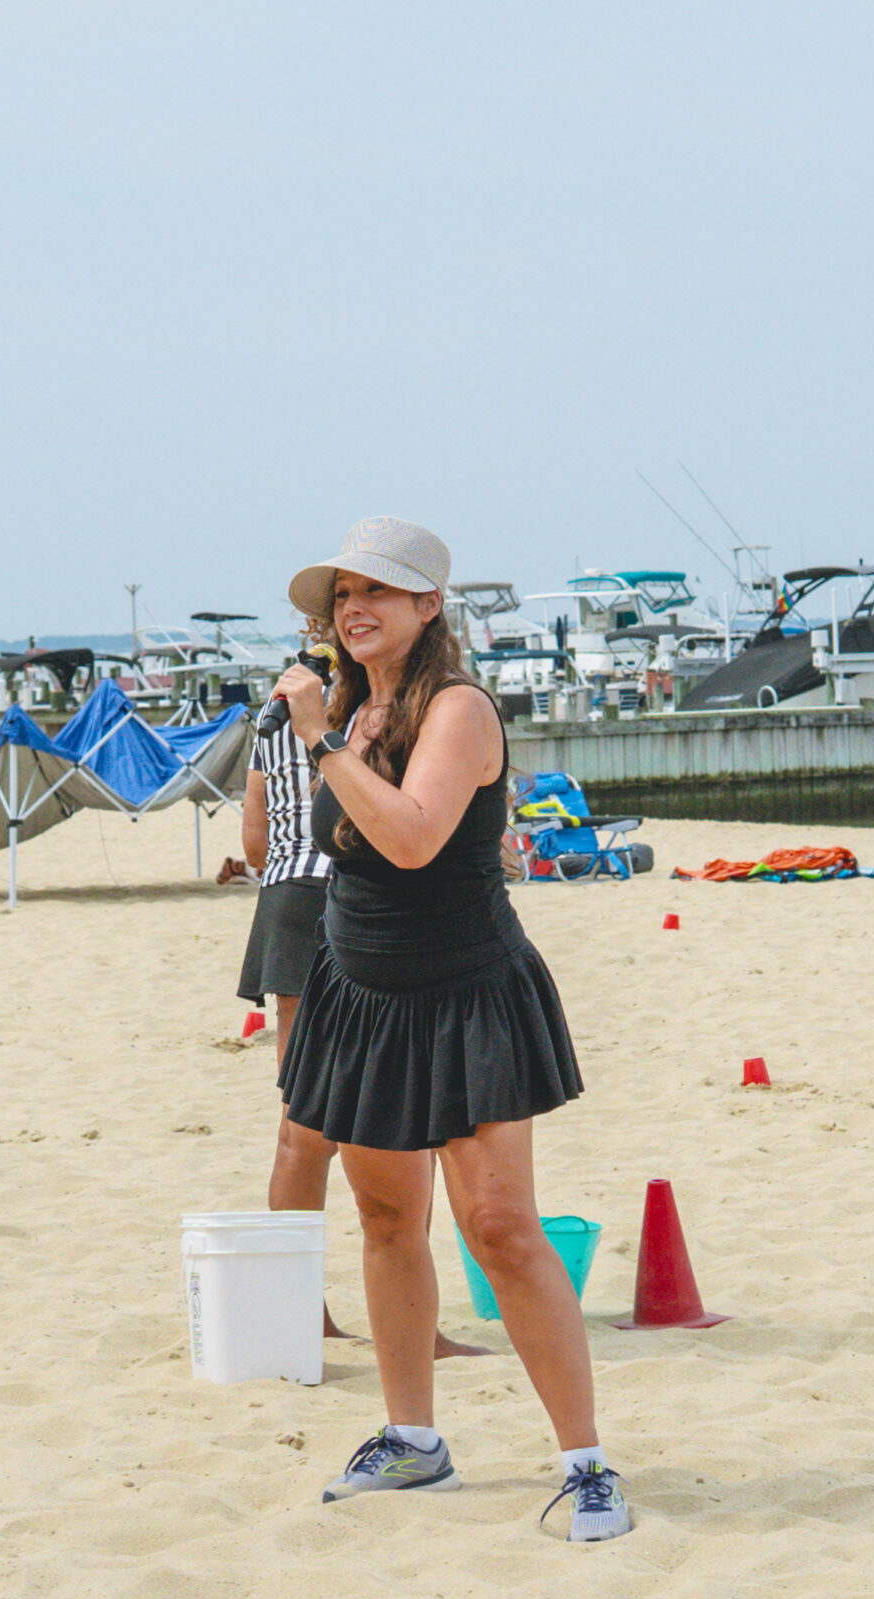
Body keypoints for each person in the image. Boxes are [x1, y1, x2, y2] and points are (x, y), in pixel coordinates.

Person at [273, 516, 631, 1543]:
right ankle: (413, 1438)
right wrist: (332, 732)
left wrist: (319, 742)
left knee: (502, 1228)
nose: (353, 610)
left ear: (429, 605)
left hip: (466, 993)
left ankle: (587, 1465)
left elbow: (415, 838)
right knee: (387, 1220)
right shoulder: (358, 708)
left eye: (375, 592)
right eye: (342, 596)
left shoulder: (458, 709)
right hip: (363, 994)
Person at [240, 706, 483, 1358]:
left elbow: (255, 840)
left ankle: (302, 1316)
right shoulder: (381, 707)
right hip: (358, 899)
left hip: (286, 897)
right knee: (404, 1120)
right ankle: (418, 1325)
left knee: (300, 1130)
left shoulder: (273, 713)